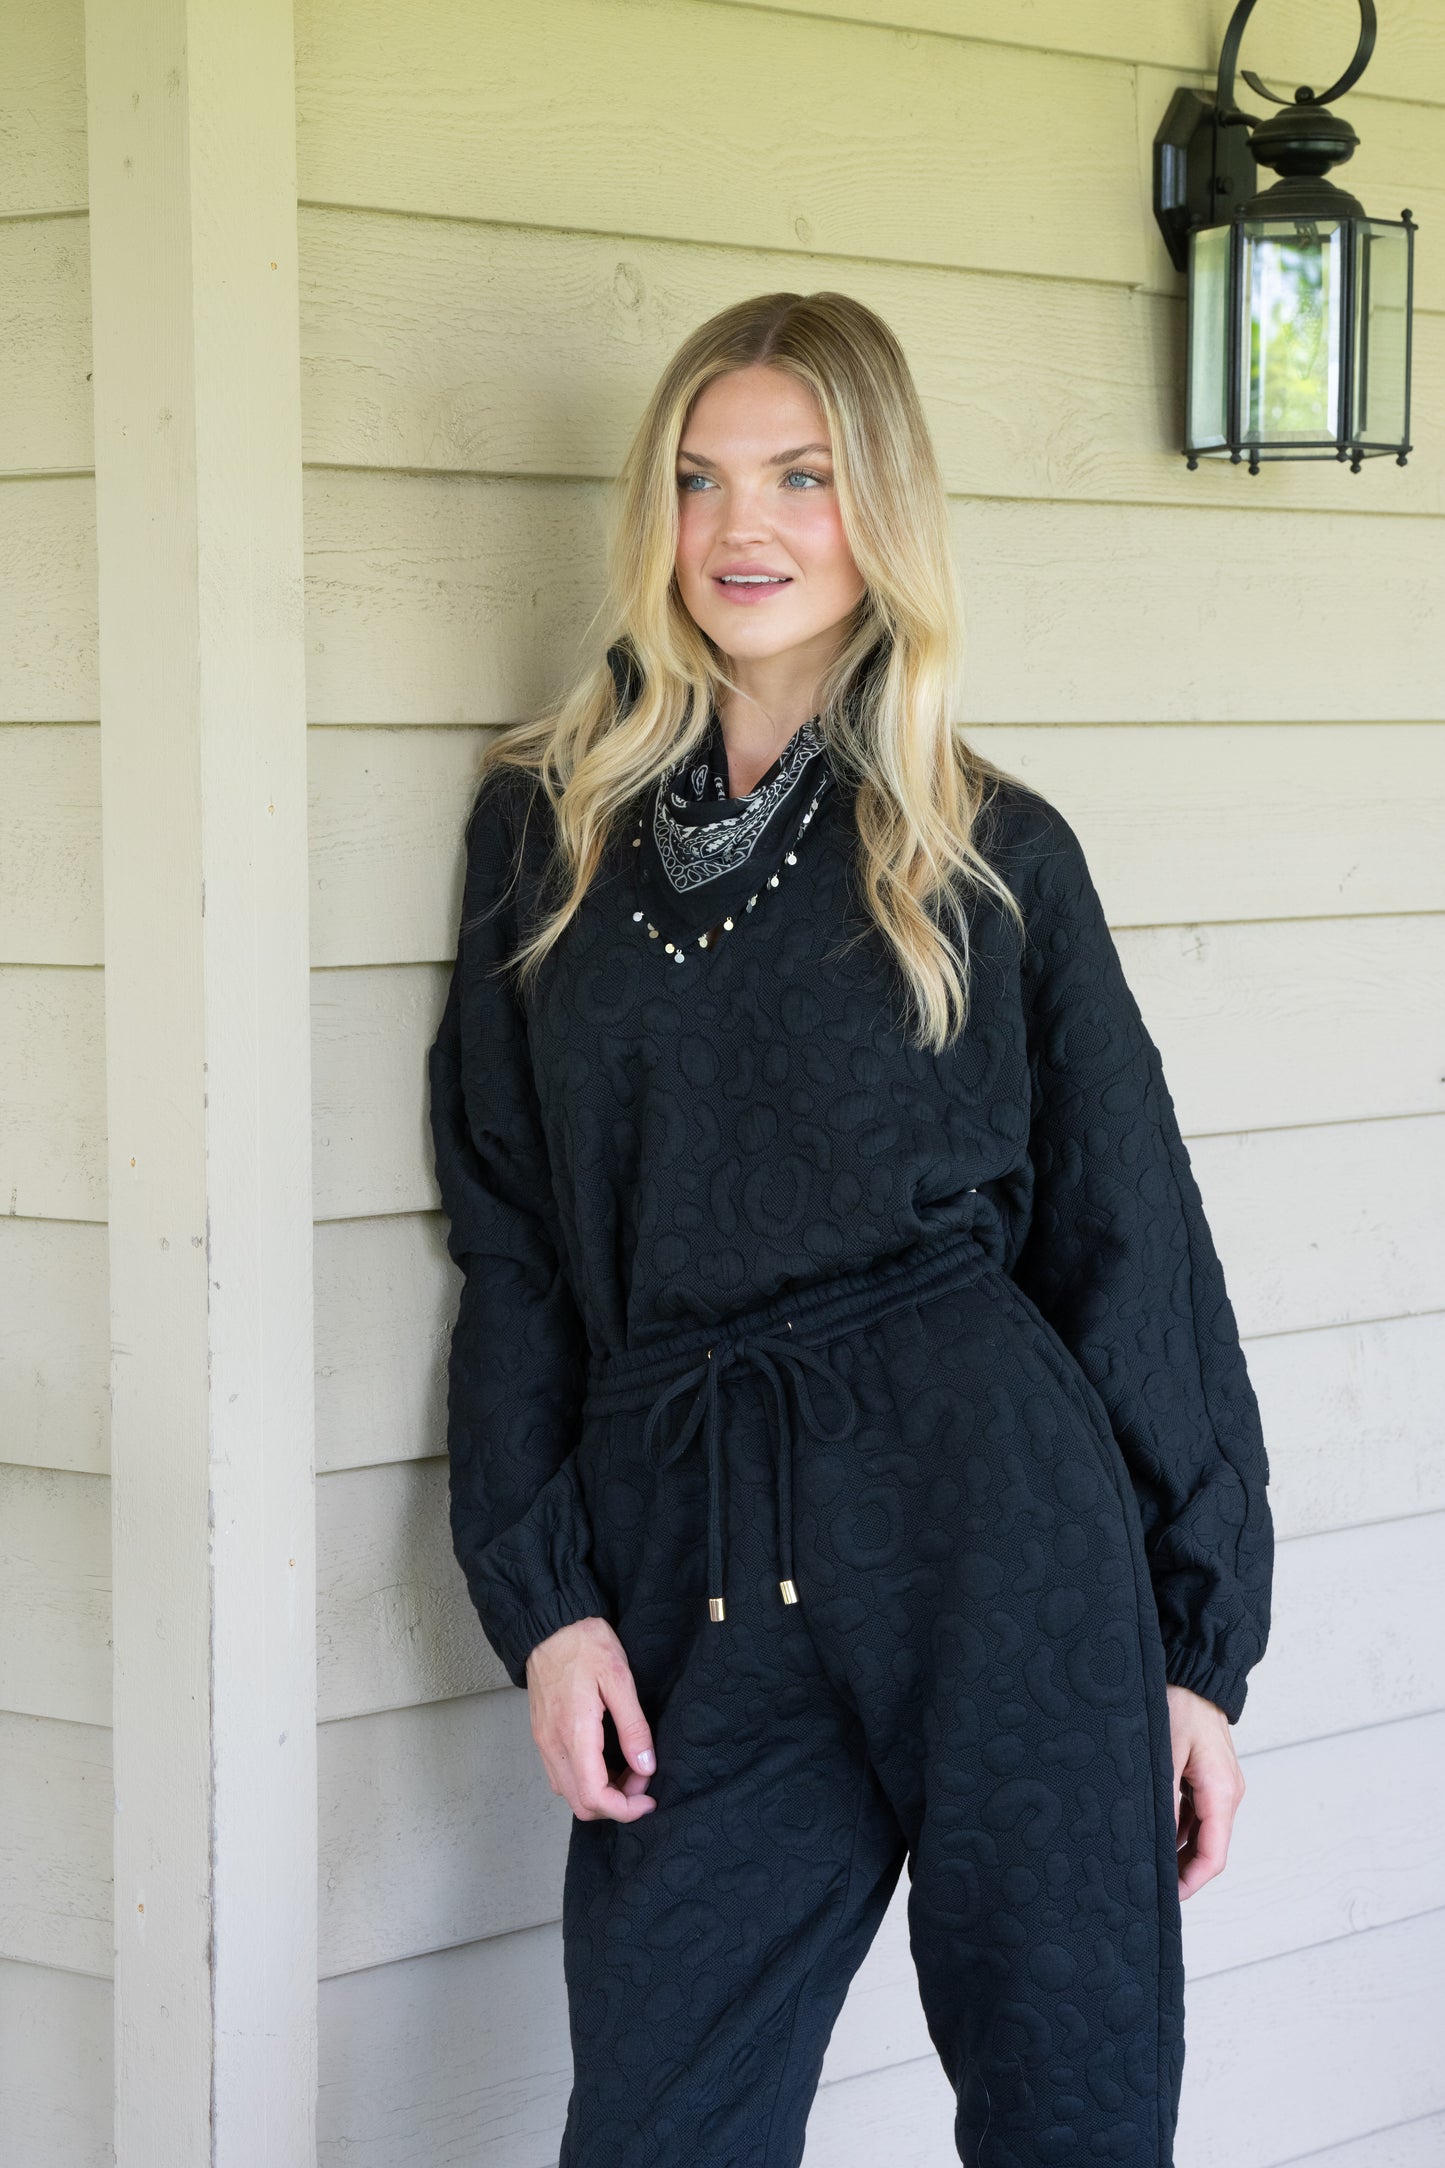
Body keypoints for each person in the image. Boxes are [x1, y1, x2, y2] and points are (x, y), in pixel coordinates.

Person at [426, 290, 1274, 2168]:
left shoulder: (984, 850)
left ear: (875, 506)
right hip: (686, 1548)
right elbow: (512, 1238)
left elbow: (1133, 1240)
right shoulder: (543, 836)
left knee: (1070, 2105)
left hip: (992, 1539)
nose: (744, 525)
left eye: (802, 476)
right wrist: (547, 1602)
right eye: (702, 477)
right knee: (662, 2124)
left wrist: (1196, 1646)